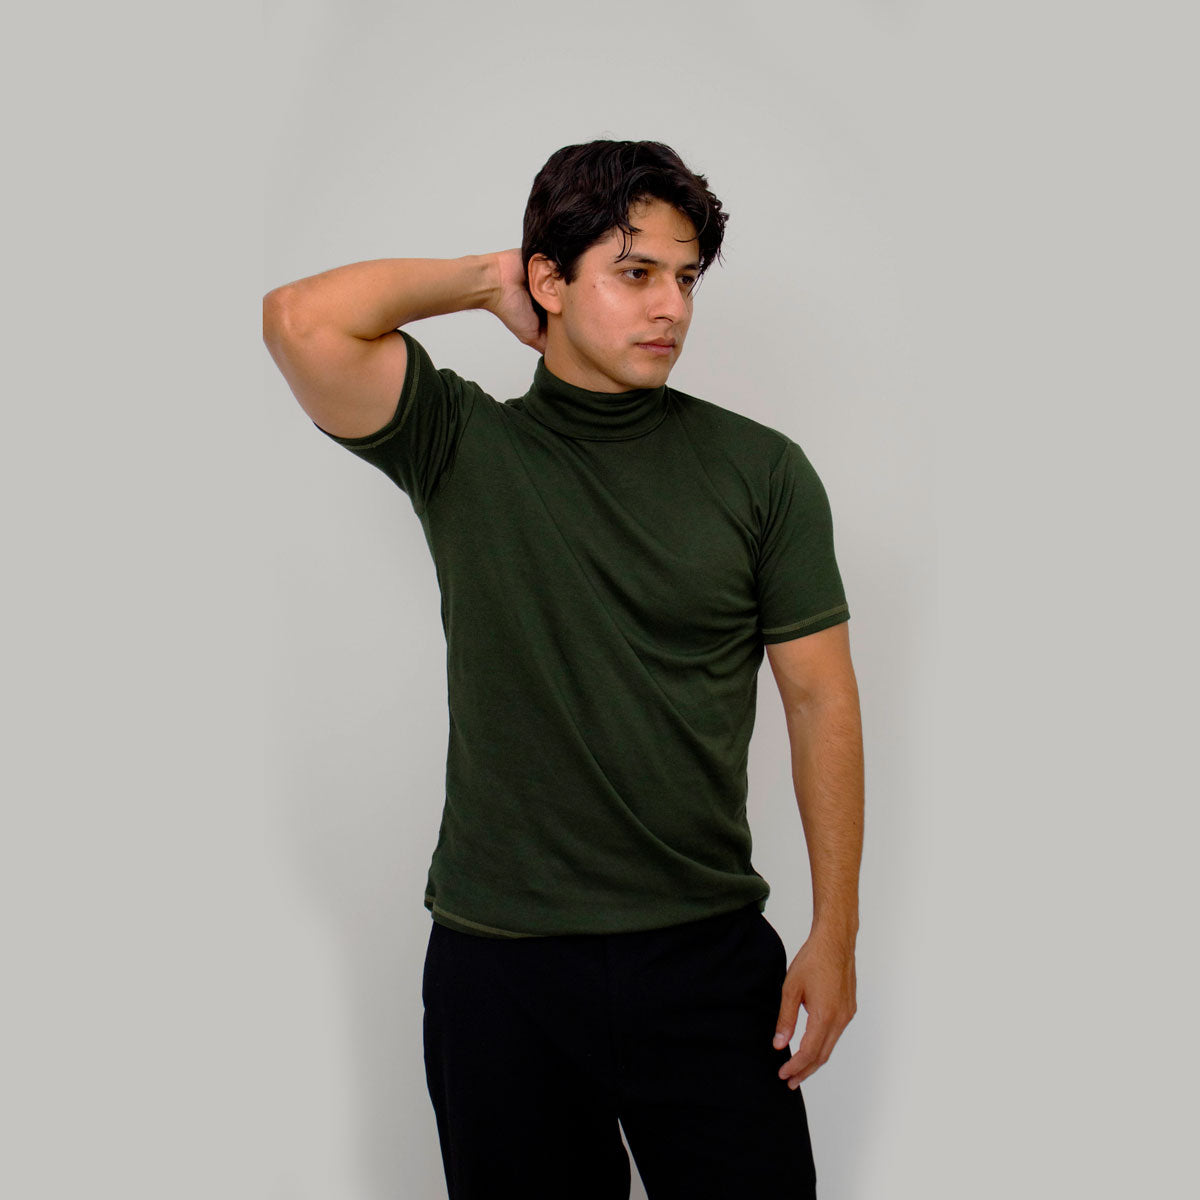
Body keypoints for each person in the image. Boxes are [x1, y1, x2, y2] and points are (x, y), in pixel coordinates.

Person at [263, 139, 863, 1199]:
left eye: (685, 278)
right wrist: (486, 279)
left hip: (706, 956)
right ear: (551, 280)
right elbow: (299, 320)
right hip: (503, 967)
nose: (670, 307)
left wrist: (837, 933)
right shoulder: (459, 443)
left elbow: (820, 700)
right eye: (635, 272)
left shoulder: (763, 472)